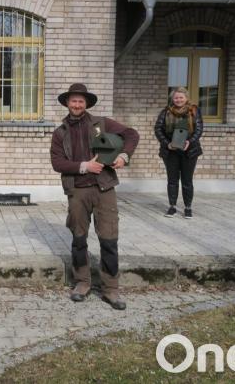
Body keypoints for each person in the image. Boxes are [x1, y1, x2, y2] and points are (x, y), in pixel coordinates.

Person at [50, 83, 139, 309]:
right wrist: (85, 166)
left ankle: (111, 289)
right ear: (67, 103)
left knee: (109, 239)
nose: (77, 104)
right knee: (79, 238)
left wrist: (124, 156)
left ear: (86, 103)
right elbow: (57, 163)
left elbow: (131, 134)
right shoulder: (60, 132)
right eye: (73, 101)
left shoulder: (102, 123)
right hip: (77, 190)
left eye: (81, 101)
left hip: (104, 189)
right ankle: (82, 283)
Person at [154, 86, 203, 219]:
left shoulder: (194, 110)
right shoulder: (166, 111)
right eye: (176, 97)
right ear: (172, 98)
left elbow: (199, 129)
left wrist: (190, 141)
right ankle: (172, 207)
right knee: (172, 180)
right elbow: (158, 129)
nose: (178, 100)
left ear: (186, 98)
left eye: (181, 97)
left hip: (189, 151)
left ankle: (188, 207)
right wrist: (167, 143)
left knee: (187, 180)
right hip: (171, 151)